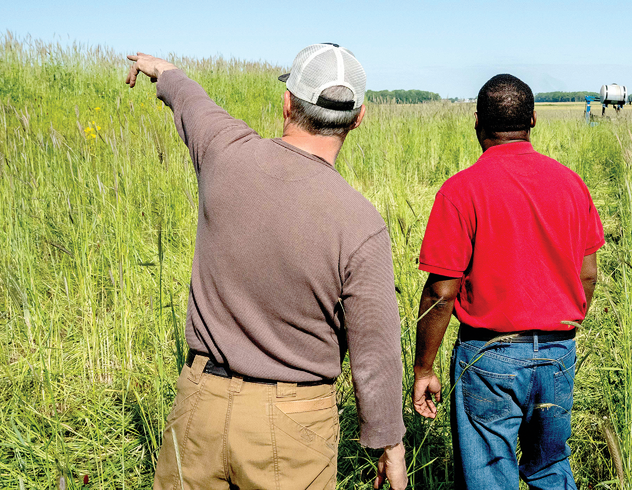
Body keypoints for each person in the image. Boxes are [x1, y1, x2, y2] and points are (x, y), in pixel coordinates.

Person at [125, 44, 407, 490]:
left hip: (200, 405)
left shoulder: (224, 152)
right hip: (295, 424)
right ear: (358, 118)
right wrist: (389, 443)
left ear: (287, 103)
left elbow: (192, 101)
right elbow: (375, 348)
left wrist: (162, 70)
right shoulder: (361, 223)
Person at [411, 74, 604, 490]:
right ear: (533, 119)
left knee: (487, 476)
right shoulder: (571, 184)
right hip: (558, 351)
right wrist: (559, 328)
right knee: (551, 468)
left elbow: (441, 293)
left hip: (488, 355)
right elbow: (588, 275)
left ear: (477, 121)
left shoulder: (460, 191)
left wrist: (424, 367)